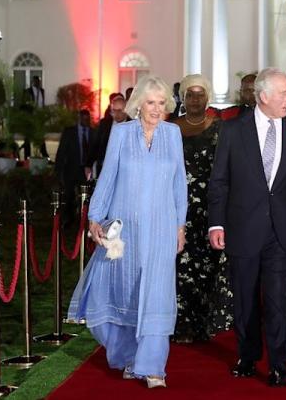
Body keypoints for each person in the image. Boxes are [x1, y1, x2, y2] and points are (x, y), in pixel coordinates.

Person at [67, 75, 188, 389]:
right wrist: (95, 217)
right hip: (125, 231)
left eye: (162, 103)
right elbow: (107, 177)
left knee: (157, 292)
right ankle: (127, 355)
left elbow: (179, 184)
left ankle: (152, 366)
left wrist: (180, 226)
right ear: (138, 105)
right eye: (151, 102)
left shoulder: (173, 134)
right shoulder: (121, 134)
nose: (157, 109)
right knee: (123, 289)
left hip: (162, 228)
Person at [207, 67, 286, 388]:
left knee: (277, 298)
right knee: (244, 298)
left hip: (283, 230)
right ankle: (247, 354)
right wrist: (216, 223)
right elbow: (220, 183)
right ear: (264, 96)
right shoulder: (232, 131)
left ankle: (279, 364)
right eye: (284, 93)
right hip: (242, 228)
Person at [172, 74, 232, 343]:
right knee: (181, 267)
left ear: (208, 97)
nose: (195, 99)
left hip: (212, 208)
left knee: (209, 266)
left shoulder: (221, 128)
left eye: (200, 94)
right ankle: (183, 324)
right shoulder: (170, 129)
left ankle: (208, 323)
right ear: (183, 98)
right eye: (190, 94)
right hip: (178, 207)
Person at [55, 110, 93, 229]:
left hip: (86, 169)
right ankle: (68, 220)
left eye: (88, 119)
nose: (86, 121)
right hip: (71, 168)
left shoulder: (92, 133)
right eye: (84, 119)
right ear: (79, 118)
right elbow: (61, 151)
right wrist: (58, 169)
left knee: (88, 195)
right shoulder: (69, 132)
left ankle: (85, 220)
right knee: (69, 195)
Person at [85, 94, 126, 179]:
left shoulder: (134, 125)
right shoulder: (105, 124)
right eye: (114, 111)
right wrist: (88, 164)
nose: (117, 114)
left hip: (125, 172)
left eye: (119, 111)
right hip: (104, 169)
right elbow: (96, 145)